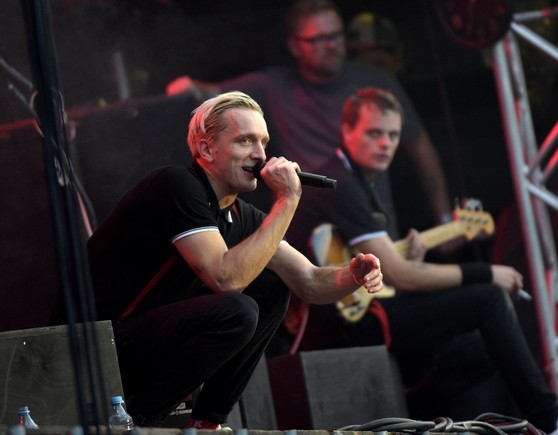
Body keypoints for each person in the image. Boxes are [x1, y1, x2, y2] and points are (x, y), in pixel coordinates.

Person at [285, 87, 558, 435]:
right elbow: (401, 275)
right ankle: (553, 420)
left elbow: (385, 267)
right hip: (338, 325)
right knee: (489, 299)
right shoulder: (342, 184)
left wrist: (410, 253)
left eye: (393, 135)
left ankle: (421, 415)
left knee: (482, 348)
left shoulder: (361, 181)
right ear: (346, 131)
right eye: (374, 133)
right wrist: (486, 271)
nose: (385, 144)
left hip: (363, 311)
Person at [87, 91, 383, 428]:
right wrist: (286, 201)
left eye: (263, 142)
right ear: (206, 149)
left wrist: (353, 276)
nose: (260, 156)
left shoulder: (244, 216)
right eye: (245, 141)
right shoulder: (177, 186)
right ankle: (138, 420)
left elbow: (310, 282)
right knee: (237, 310)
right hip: (100, 345)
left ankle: (206, 422)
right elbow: (224, 279)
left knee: (272, 287)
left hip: (149, 342)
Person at [166, 0, 452, 239]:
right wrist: (187, 89)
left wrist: (443, 215)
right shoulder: (273, 84)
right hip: (313, 236)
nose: (331, 45)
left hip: (374, 226)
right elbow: (213, 93)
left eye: (337, 36)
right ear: (294, 46)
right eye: (318, 39)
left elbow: (420, 147)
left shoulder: (375, 81)